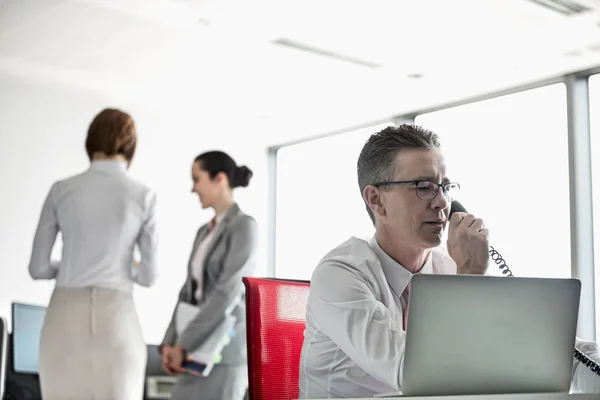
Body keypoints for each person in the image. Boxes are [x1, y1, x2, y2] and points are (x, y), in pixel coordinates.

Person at [298, 124, 600, 398]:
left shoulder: (448, 267)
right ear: (376, 199)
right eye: (423, 186)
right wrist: (469, 278)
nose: (443, 202)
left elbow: (560, 354)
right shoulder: (339, 275)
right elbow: (417, 376)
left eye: (444, 187)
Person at [28, 108, 159, 400]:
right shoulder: (143, 195)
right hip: (118, 318)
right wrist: (125, 265)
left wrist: (71, 264)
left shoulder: (62, 190)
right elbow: (149, 277)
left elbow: (37, 268)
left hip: (65, 315)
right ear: (130, 146)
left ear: (90, 142)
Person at [160, 150, 258, 400]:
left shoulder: (244, 226)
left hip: (222, 353)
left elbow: (227, 291)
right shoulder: (204, 231)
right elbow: (188, 291)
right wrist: (169, 343)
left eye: (197, 179)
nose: (193, 189)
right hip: (191, 351)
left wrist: (184, 344)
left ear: (220, 179)